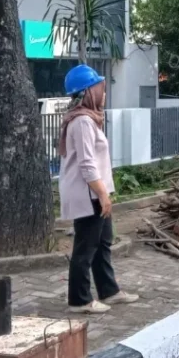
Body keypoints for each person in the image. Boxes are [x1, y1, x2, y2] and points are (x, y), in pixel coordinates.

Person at [58, 64, 138, 314]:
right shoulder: (82, 121)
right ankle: (79, 300)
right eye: (99, 88)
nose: (103, 93)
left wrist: (104, 192)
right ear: (88, 92)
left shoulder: (88, 119)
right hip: (88, 194)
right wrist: (102, 194)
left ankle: (109, 290)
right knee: (85, 247)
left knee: (103, 243)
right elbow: (86, 163)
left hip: (95, 191)